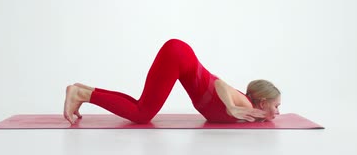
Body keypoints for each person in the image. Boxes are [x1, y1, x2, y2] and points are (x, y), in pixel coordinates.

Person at [63, 38, 281, 124]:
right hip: (179, 58)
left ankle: (83, 90)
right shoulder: (244, 105)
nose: (279, 112)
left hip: (179, 55)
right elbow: (219, 84)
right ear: (262, 102)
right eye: (276, 105)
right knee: (142, 115)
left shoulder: (248, 116)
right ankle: (82, 94)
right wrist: (231, 107)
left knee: (142, 106)